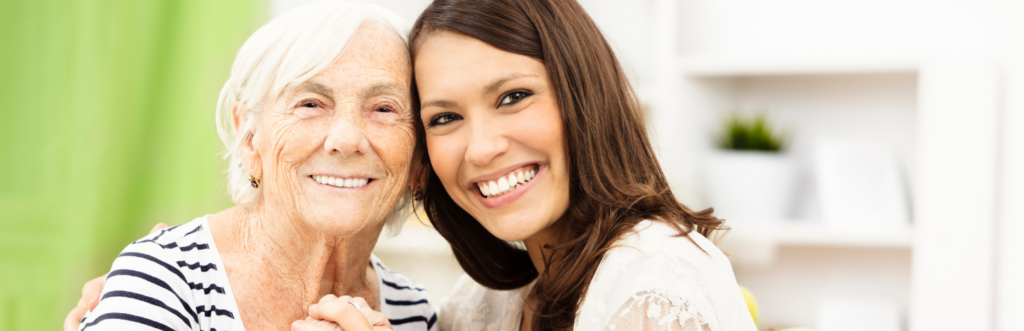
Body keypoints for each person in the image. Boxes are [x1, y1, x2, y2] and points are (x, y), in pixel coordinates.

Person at [310, 0, 757, 330]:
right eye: (445, 118)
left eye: (513, 97)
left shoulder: (653, 284)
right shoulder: (488, 303)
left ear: (583, 93)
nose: (482, 149)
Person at [65, 2, 437, 331]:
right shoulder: (164, 282)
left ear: (418, 157)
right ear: (248, 133)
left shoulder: (414, 313)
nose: (346, 139)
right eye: (310, 104)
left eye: (384, 109)